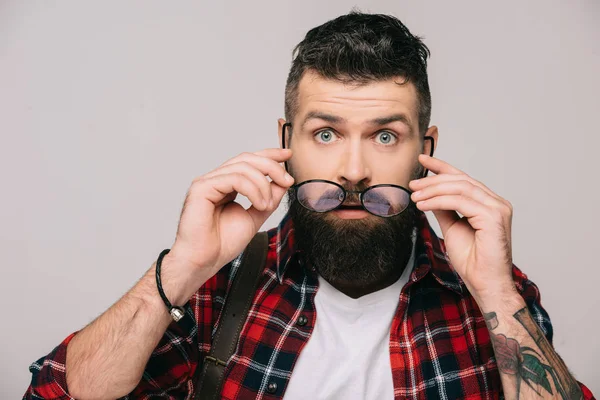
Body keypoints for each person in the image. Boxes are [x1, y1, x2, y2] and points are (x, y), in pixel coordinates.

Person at [24, 11, 594, 400]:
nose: (352, 168)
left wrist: (496, 290)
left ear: (426, 151)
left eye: (386, 136)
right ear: (287, 141)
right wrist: (181, 267)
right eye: (325, 134)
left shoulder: (490, 295)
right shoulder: (218, 286)